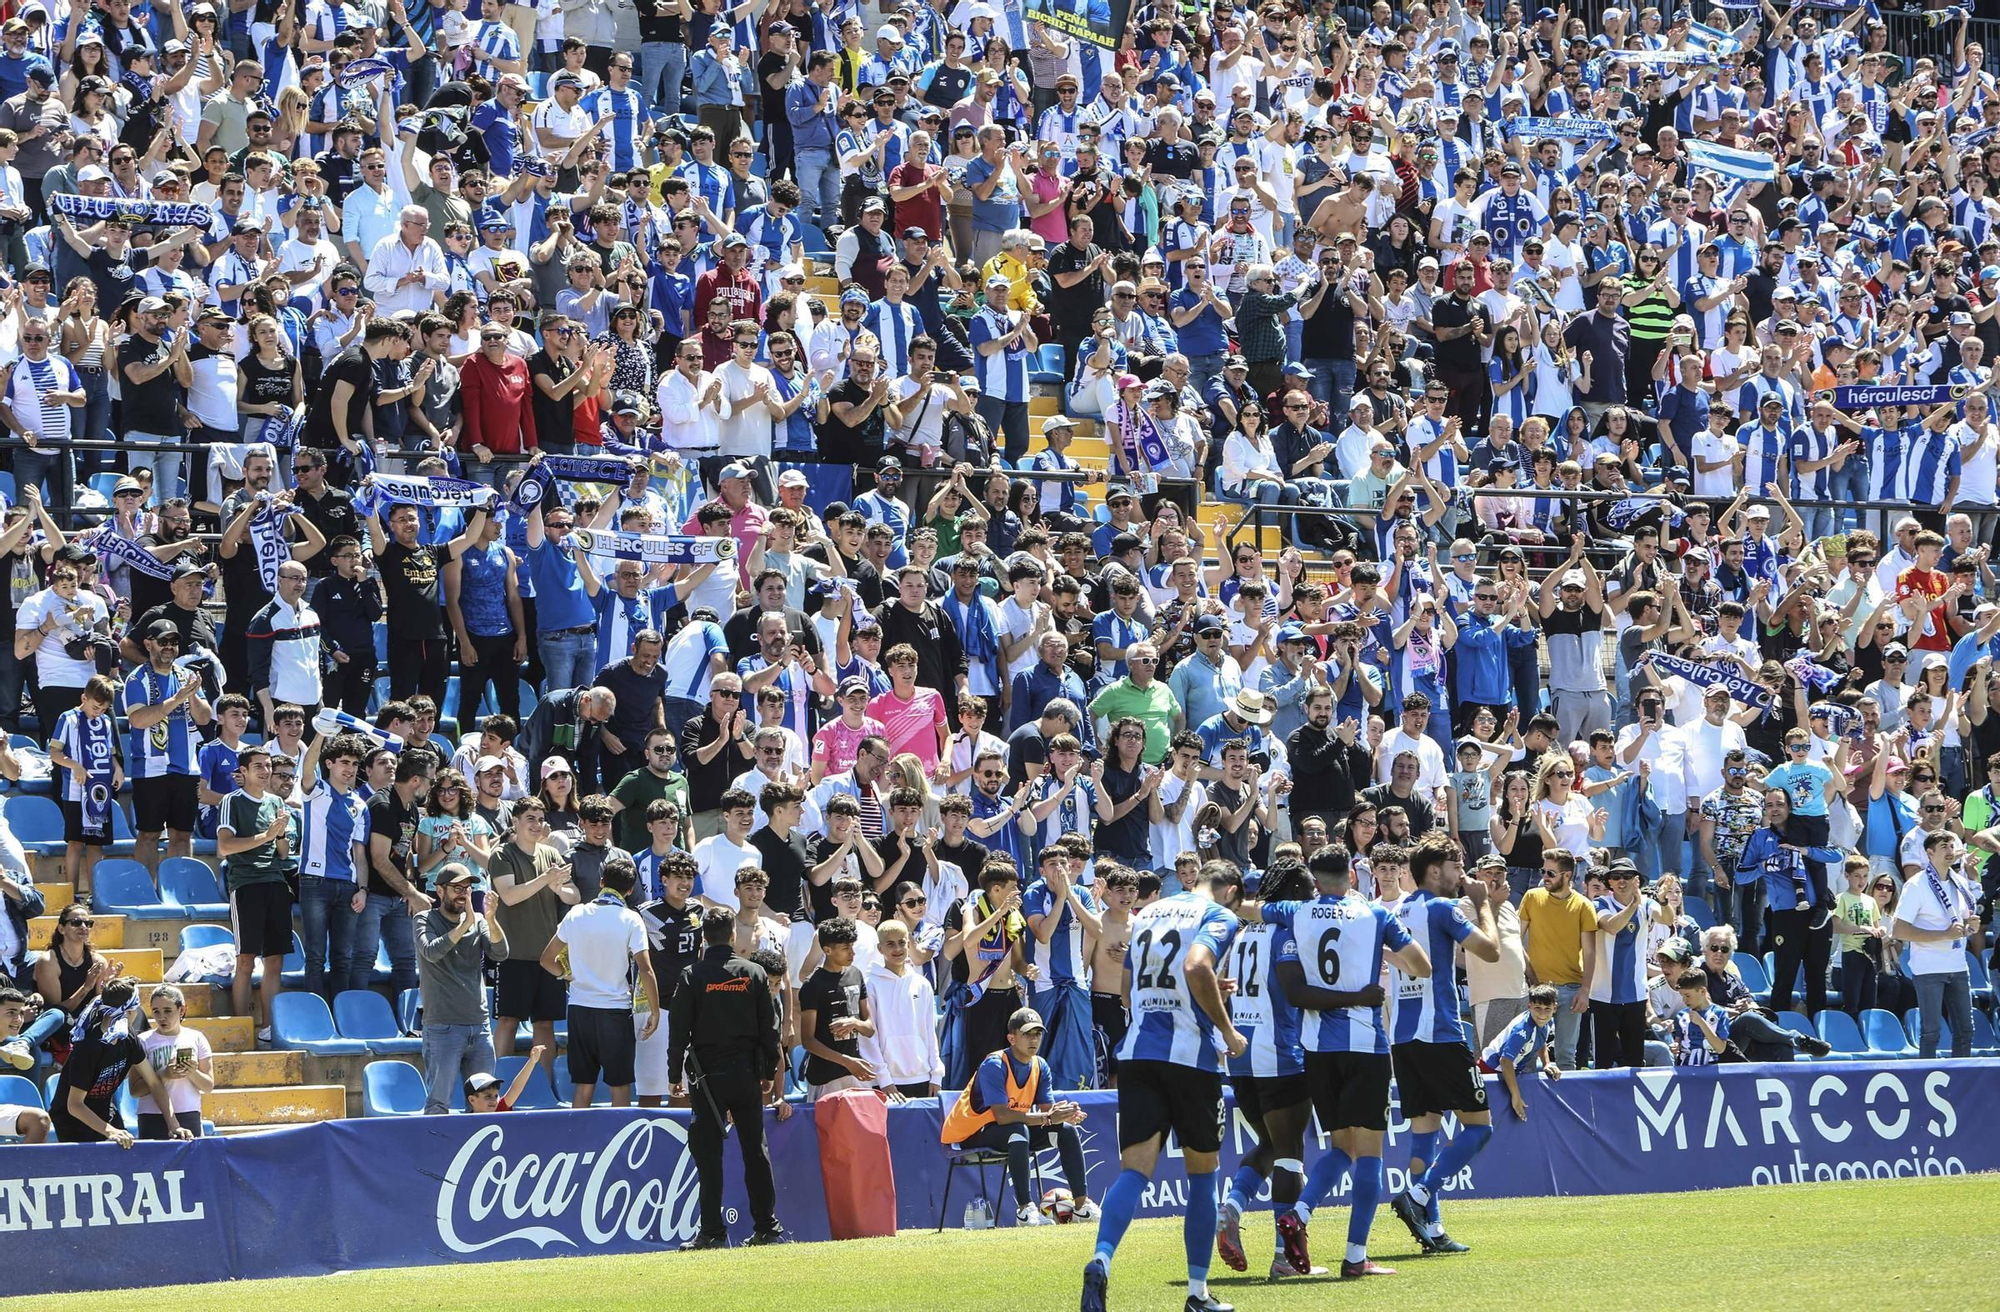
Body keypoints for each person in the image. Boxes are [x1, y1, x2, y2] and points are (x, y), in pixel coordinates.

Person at [1080, 860, 1250, 1312]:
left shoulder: (1149, 914)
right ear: (1231, 890)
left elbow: (1127, 990)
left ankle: (1101, 1258)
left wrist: (1203, 991)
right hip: (1190, 1059)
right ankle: (1197, 1292)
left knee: (1134, 1171)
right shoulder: (1219, 916)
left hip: (1137, 1053)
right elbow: (1196, 967)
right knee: (1203, 1175)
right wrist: (1228, 1030)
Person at [1256, 845, 1430, 1279]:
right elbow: (1422, 966)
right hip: (1365, 1046)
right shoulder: (1375, 916)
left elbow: (1252, 907)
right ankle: (1355, 1256)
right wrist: (1382, 957)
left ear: (1316, 880)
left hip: (1317, 1049)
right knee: (1370, 1153)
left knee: (1340, 1147)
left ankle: (1299, 1211)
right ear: (1353, 876)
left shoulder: (1295, 911)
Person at [1386, 835, 1501, 1257]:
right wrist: (1482, 902)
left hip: (1403, 1036)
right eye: (1456, 866)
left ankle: (1432, 1228)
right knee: (1479, 1127)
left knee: (1424, 1136)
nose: (1462, 875)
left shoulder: (1397, 909)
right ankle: (1418, 1198)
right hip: (1441, 1032)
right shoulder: (1441, 907)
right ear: (1434, 871)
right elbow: (1489, 952)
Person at [1214, 857, 1318, 1280]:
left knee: (1271, 1145)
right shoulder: (1288, 931)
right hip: (1280, 1054)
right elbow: (1296, 991)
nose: (1312, 897)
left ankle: (1233, 1207)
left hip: (1240, 1056)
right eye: (1307, 890)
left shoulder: (1238, 936)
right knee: (1291, 1152)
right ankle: (1282, 1256)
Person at [668, 906, 785, 1248]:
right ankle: (767, 1227)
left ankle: (713, 1232)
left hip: (707, 1076)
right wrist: (766, 1072)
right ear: (733, 935)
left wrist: (674, 1072)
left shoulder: (693, 975)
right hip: (746, 1072)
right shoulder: (754, 973)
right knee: (755, 1151)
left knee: (708, 1155)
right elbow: (771, 1028)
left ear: (704, 936)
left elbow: (679, 1030)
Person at [940, 1005, 1094, 1227]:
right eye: (1027, 1034)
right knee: (1017, 1131)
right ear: (1011, 1038)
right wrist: (1049, 1117)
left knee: (1066, 1131)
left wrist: (1064, 1116)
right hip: (971, 1133)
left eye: (1038, 1034)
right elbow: (1002, 1116)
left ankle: (1082, 1207)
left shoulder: (1040, 1066)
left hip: (1005, 1130)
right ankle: (1025, 1210)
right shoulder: (995, 1064)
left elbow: (1046, 1112)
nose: (1034, 1040)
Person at [542, 857, 658, 1109]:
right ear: (629, 890)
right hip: (615, 1012)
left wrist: (567, 975)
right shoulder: (631, 919)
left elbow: (547, 960)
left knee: (583, 1086)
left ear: (601, 882)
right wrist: (655, 1011)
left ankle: (578, 1142)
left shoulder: (576, 914)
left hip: (579, 1010)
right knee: (619, 1086)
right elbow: (646, 970)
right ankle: (623, 1145)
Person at [415, 862, 509, 1114]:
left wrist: (490, 919)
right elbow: (431, 952)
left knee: (484, 1106)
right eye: (456, 888)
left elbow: (500, 953)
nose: (463, 894)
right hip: (442, 1026)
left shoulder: (477, 920)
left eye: (467, 889)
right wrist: (464, 925)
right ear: (439, 891)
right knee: (438, 1103)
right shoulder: (424, 918)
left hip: (479, 1026)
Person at [124, 617, 211, 882]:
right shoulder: (136, 679)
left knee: (183, 834)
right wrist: (177, 699)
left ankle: (180, 888)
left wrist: (192, 695)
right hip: (151, 769)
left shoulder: (186, 676)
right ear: (149, 644)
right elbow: (138, 720)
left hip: (186, 768)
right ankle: (147, 888)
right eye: (163, 642)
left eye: (174, 642)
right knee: (149, 834)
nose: (169, 647)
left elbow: (205, 718)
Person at [52, 976, 189, 1143]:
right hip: (73, 1120)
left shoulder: (129, 1037)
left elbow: (154, 1083)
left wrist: (174, 1125)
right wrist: (110, 1131)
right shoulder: (89, 1046)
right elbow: (74, 1105)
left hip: (104, 1110)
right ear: (129, 1011)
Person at [217, 745, 292, 1045]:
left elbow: (284, 853)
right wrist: (266, 836)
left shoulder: (277, 802)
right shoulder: (231, 801)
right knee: (246, 960)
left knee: (275, 961)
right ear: (243, 771)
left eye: (268, 765)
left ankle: (268, 1028)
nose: (265, 771)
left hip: (275, 882)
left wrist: (282, 834)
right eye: (258, 766)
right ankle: (240, 1027)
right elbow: (225, 846)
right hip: (246, 884)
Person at [798, 914, 876, 1100]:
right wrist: (846, 1062)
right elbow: (808, 1041)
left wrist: (854, 1022)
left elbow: (870, 1029)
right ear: (827, 950)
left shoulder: (856, 974)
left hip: (857, 1072)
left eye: (852, 946)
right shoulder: (813, 985)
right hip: (825, 1077)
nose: (852, 953)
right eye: (845, 948)